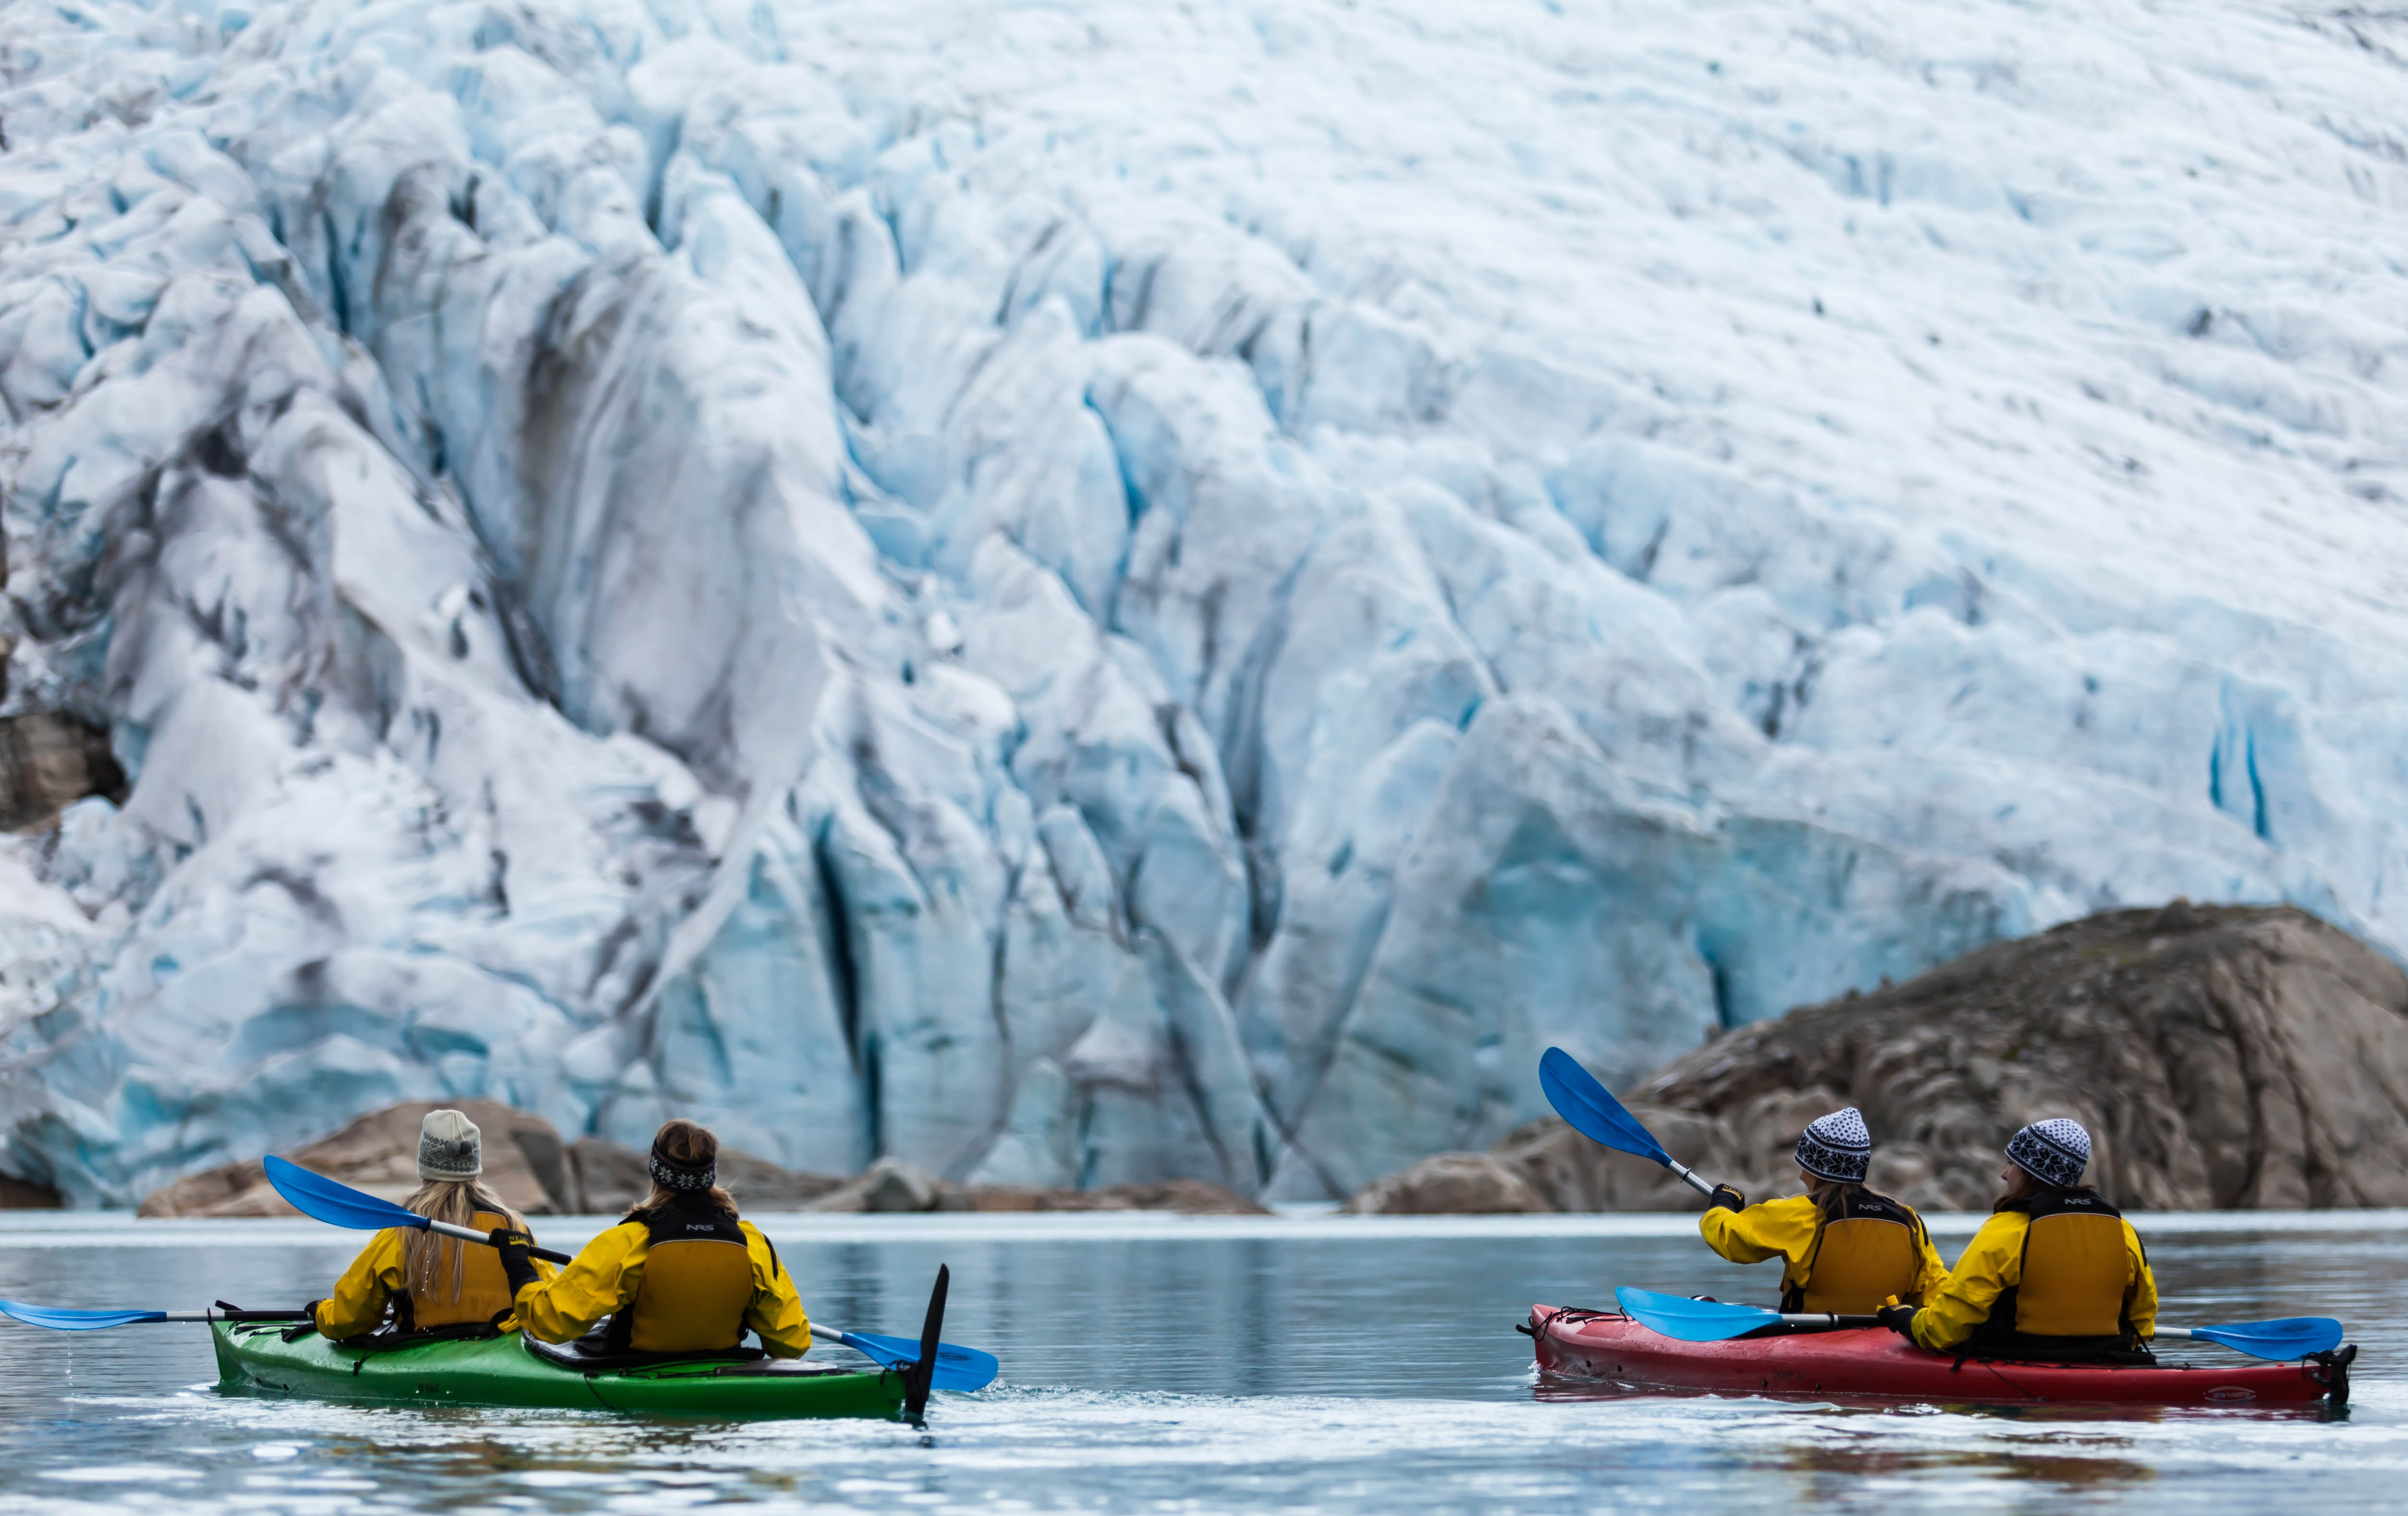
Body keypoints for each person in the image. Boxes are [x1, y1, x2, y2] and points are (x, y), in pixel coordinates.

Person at [491, 1118, 811, 1357]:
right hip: (720, 1365)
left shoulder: (626, 1242)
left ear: (656, 1173)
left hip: (639, 1368)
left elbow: (549, 1324)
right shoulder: (751, 1243)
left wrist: (520, 1265)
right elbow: (792, 1344)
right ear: (709, 1175)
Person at [1879, 1118, 2158, 1358]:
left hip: (2019, 1357)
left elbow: (1942, 1330)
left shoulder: (2008, 1229)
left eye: (2011, 1163)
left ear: (2031, 1172)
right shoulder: (2122, 1230)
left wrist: (1905, 1317)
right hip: (2106, 1356)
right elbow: (2143, 1321)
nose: (2003, 1173)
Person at [308, 1109, 554, 1339]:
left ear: (426, 1161)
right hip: (502, 1344)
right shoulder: (514, 1227)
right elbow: (551, 1302)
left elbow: (351, 1320)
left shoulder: (403, 1231)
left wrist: (322, 1312)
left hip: (423, 1344)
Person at [1697, 1107, 1948, 1314]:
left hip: (1811, 1336)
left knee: (1703, 1303)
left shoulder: (1801, 1214)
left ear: (1816, 1168)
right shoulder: (1907, 1219)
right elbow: (1936, 1290)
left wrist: (1723, 1203)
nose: (1799, 1173)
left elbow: (1727, 1238)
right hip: (1885, 1337)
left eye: (1803, 1164)